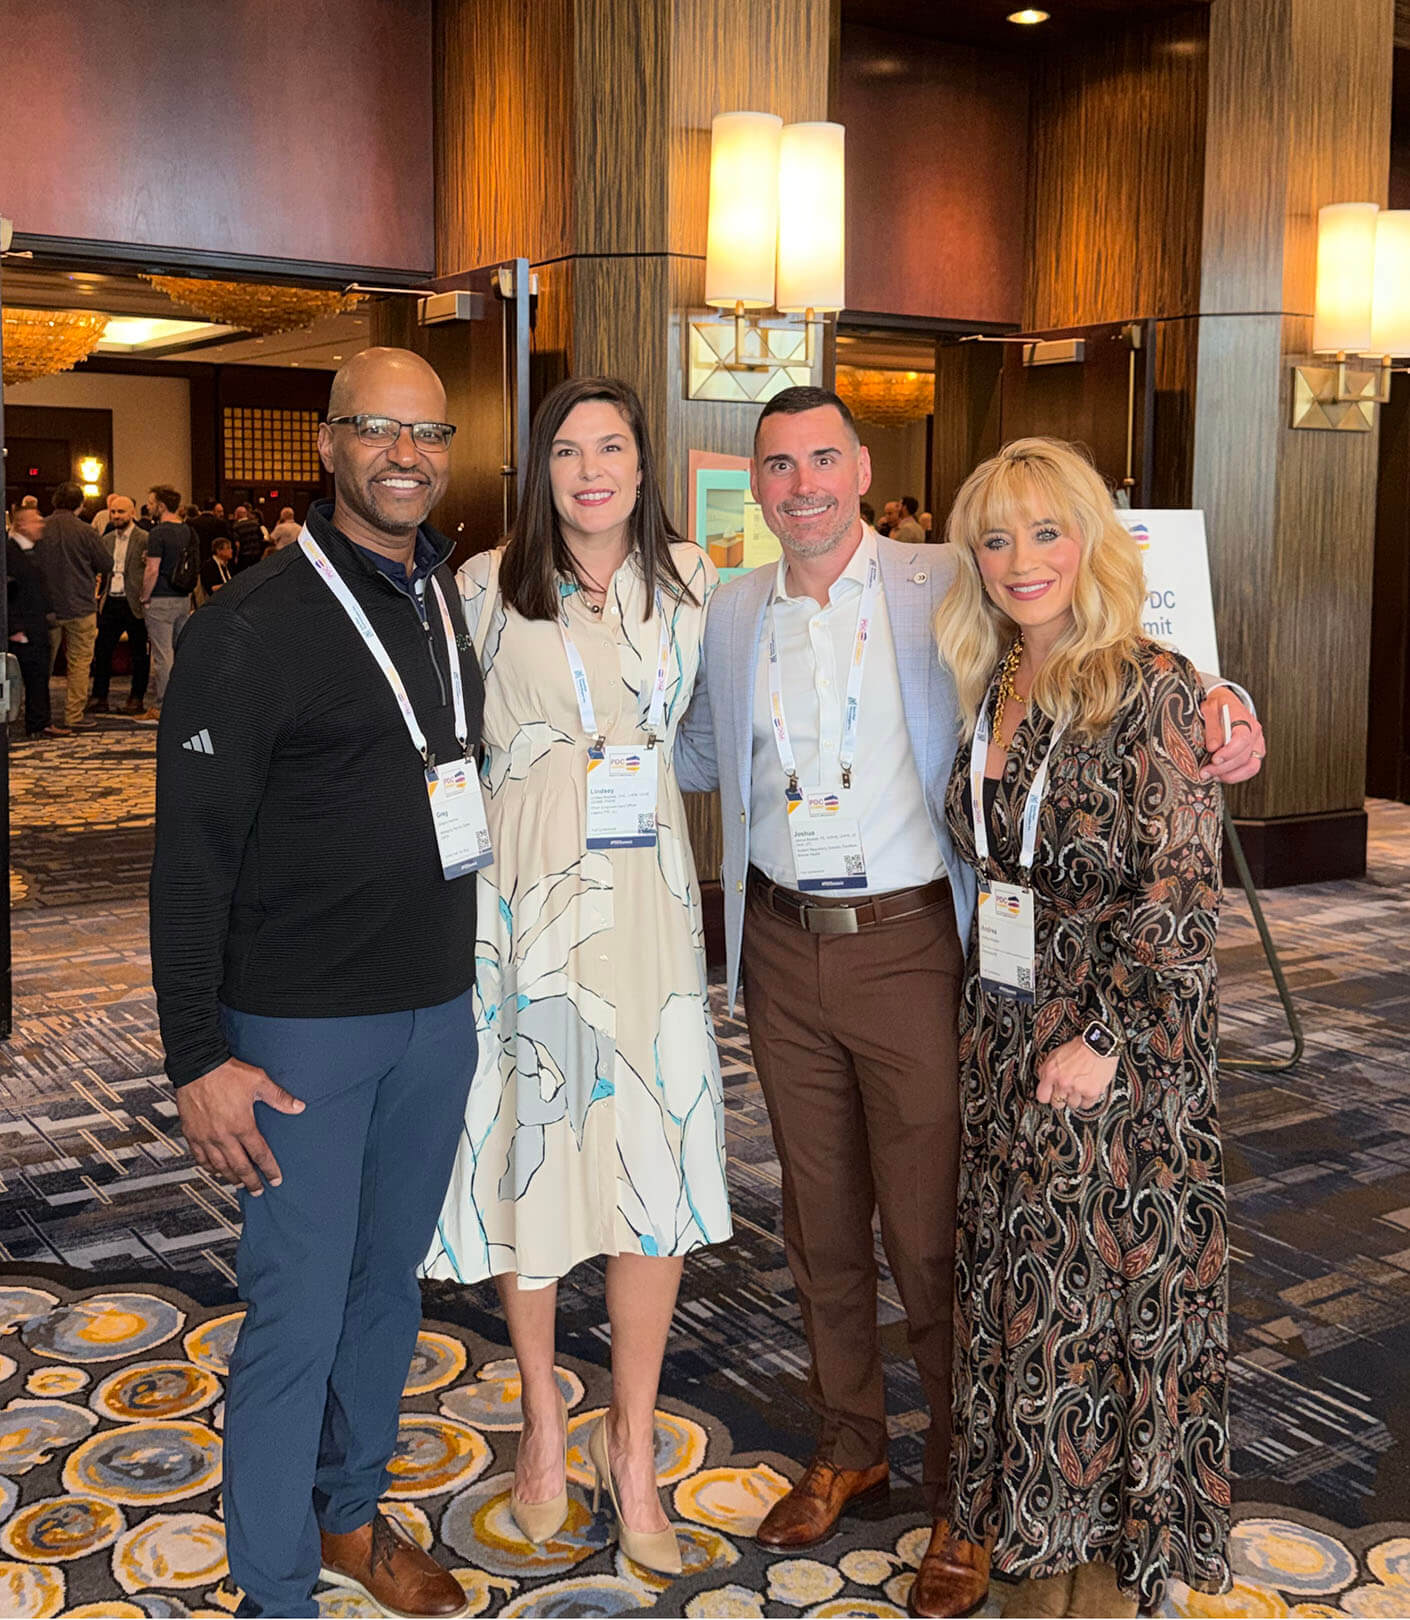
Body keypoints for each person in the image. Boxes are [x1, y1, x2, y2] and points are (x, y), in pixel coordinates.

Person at [674, 387, 1261, 1619]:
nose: (801, 486)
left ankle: (965, 1491)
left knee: (945, 1235)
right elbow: (682, 750)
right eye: (777, 467)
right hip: (783, 942)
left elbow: (1110, 631)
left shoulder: (937, 577)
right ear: (756, 486)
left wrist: (1224, 698)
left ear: (863, 467)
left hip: (914, 949)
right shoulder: (729, 608)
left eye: (824, 459)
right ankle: (850, 1440)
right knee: (820, 1222)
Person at [150, 347, 485, 1620]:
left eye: (428, 431)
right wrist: (196, 1057)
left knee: (386, 1288)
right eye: (377, 429)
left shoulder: (442, 593)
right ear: (330, 446)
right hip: (297, 1036)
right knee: (293, 1316)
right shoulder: (251, 626)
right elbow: (188, 867)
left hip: (433, 1018)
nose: (407, 453)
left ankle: (349, 1518)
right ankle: (275, 1588)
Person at [426, 376, 729, 1578]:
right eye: (567, 450)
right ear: (539, 470)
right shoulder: (483, 588)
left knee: (649, 1165)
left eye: (613, 447)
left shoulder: (696, 583)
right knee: (533, 1158)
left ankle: (634, 1438)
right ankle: (546, 1423)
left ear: (646, 463)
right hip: (526, 908)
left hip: (649, 913)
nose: (592, 468)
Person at [934, 437, 1230, 1619]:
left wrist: (1102, 1038)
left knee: (1101, 1311)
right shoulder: (993, 673)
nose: (1021, 559)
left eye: (1047, 532)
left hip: (1116, 1055)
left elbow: (1181, 889)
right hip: (1009, 1027)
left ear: (1093, 540)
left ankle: (1105, 1584)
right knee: (1027, 1301)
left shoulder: (1152, 683)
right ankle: (1039, 1565)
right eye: (998, 537)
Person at [37, 480, 111, 731]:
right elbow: (106, 563)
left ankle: (41, 715)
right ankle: (73, 714)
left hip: (46, 605)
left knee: (42, 664)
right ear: (81, 504)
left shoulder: (40, 528)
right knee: (79, 663)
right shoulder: (86, 531)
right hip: (80, 604)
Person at [90, 496, 150, 715]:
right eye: (113, 512)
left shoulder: (144, 538)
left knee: (138, 654)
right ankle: (99, 697)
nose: (116, 516)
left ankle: (136, 698)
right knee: (102, 651)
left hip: (134, 602)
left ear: (132, 513)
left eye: (121, 512)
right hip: (110, 601)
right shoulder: (106, 540)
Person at [139, 484, 194, 722]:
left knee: (163, 656)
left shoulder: (158, 533)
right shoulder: (188, 531)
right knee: (179, 653)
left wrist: (144, 596)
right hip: (183, 597)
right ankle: (183, 703)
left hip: (160, 597)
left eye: (151, 503)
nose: (148, 507)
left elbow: (152, 569)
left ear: (161, 506)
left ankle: (163, 706)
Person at [8, 507, 62, 739]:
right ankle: (35, 722)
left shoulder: (34, 551)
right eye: (35, 521)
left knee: (40, 675)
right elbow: (8, 594)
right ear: (22, 525)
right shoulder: (9, 553)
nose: (41, 525)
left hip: (37, 623)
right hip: (22, 627)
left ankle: (40, 721)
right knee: (24, 676)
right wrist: (13, 629)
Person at [190, 499, 232, 566]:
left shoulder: (192, 522)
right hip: (215, 558)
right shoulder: (221, 523)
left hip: (198, 557)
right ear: (214, 509)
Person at [231, 504, 268, 571]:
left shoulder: (236, 527)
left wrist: (236, 557)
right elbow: (262, 538)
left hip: (244, 556)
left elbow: (237, 544)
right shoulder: (256, 524)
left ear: (236, 515)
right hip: (257, 554)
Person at [199, 535, 236, 599]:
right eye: (228, 548)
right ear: (218, 551)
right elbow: (211, 588)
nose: (231, 550)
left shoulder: (229, 564)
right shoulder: (209, 566)